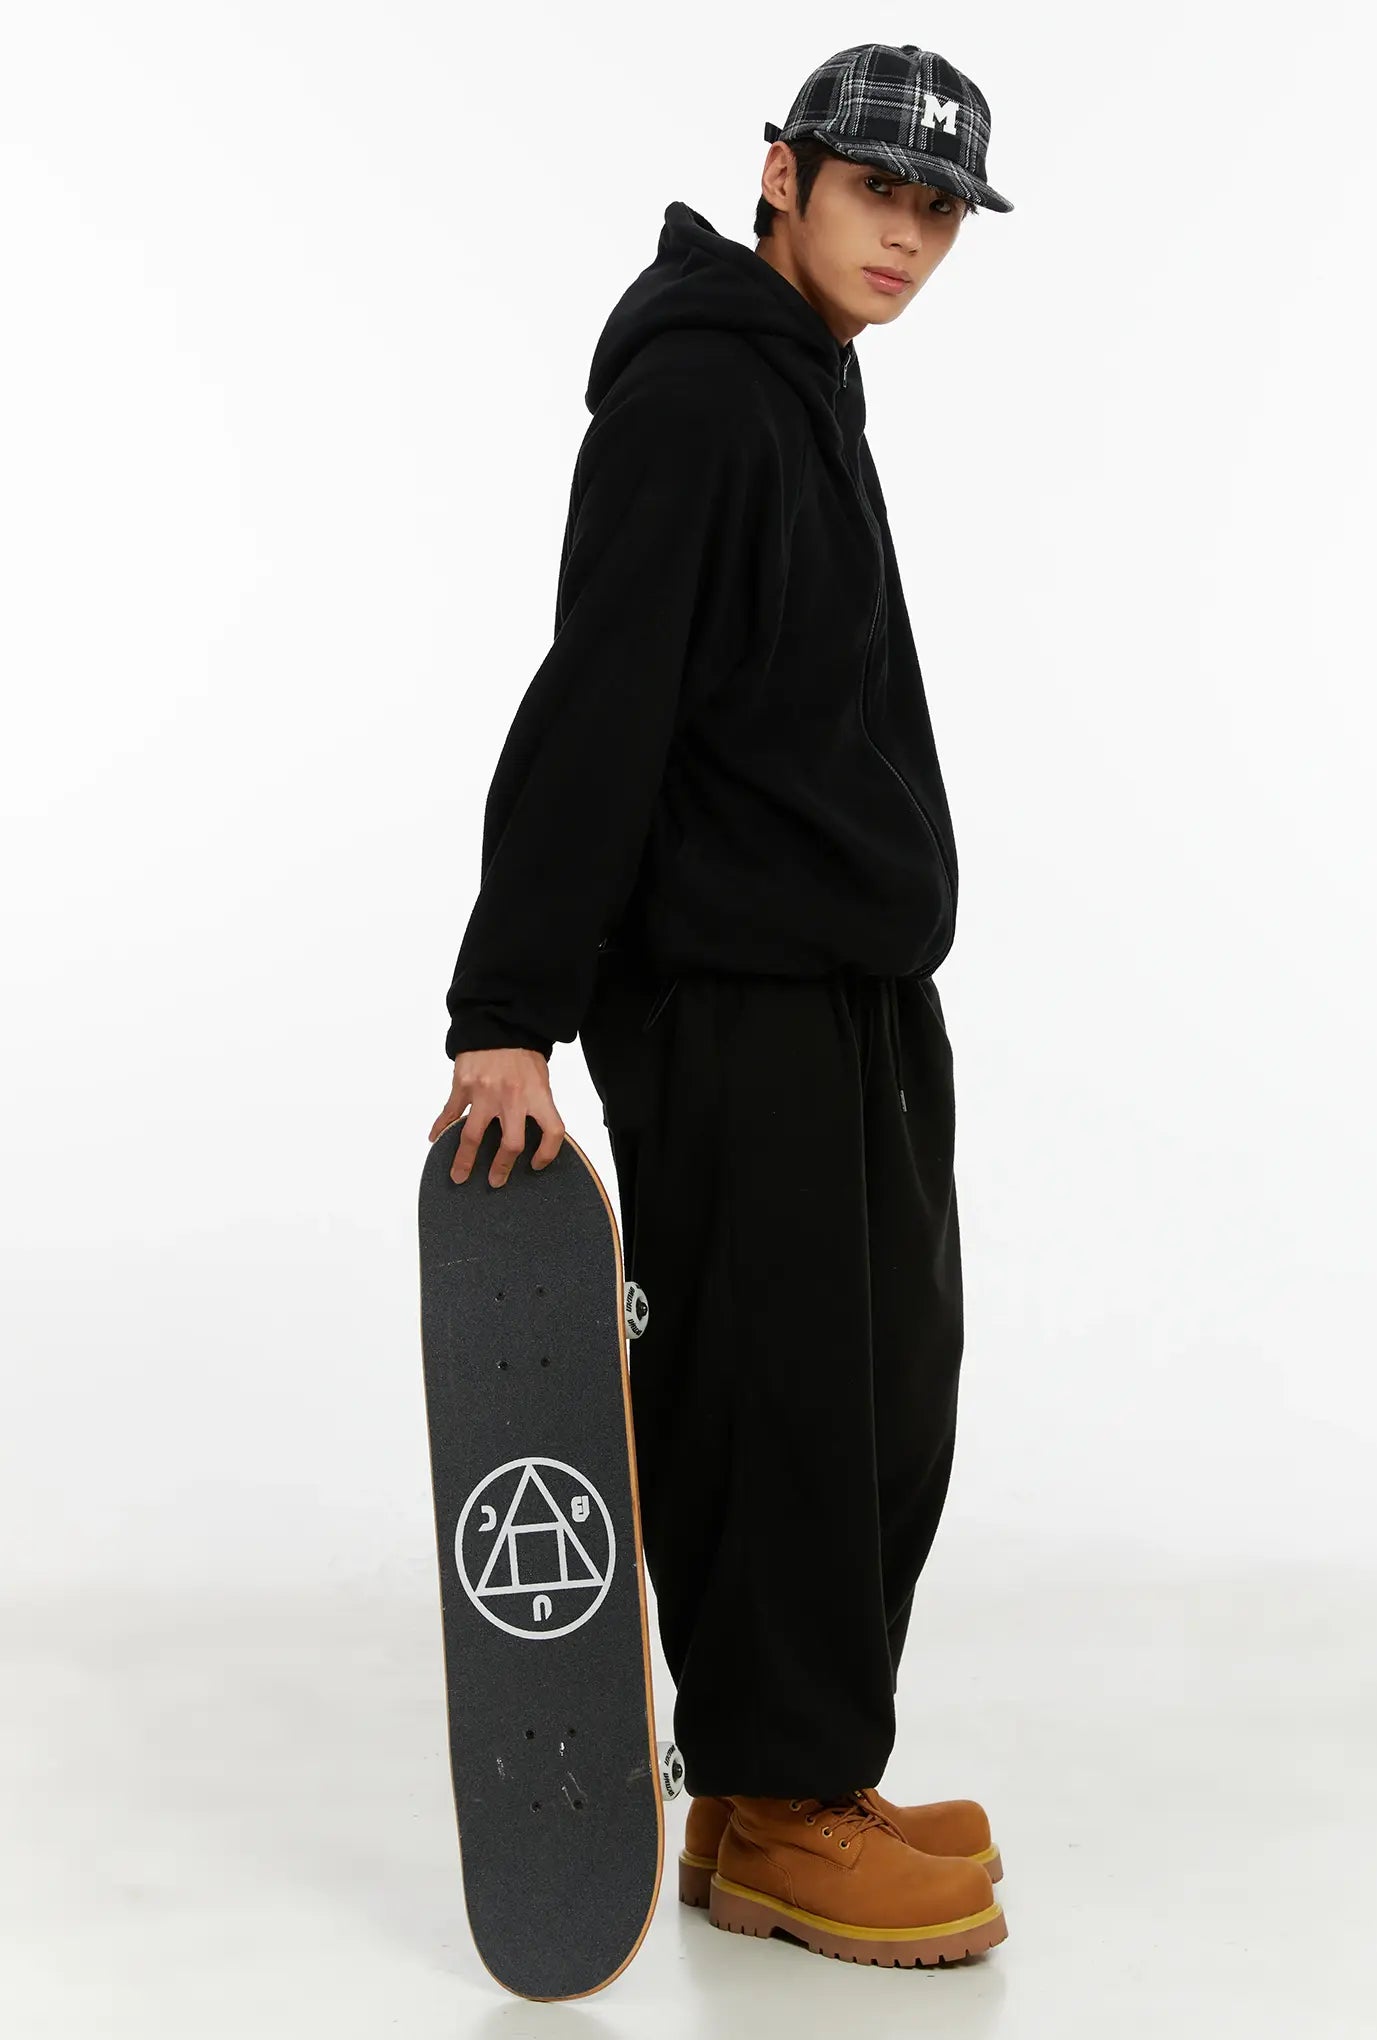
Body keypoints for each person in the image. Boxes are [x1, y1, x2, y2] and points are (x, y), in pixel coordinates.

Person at [428, 42, 1013, 1967]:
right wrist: (509, 1011)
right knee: (776, 1404)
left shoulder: (808, 379)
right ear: (784, 174)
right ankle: (780, 1810)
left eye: (939, 211)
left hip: (843, 987)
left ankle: (784, 1780)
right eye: (879, 192)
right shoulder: (698, 394)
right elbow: (600, 698)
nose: (909, 237)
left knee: (881, 1396)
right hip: (733, 997)